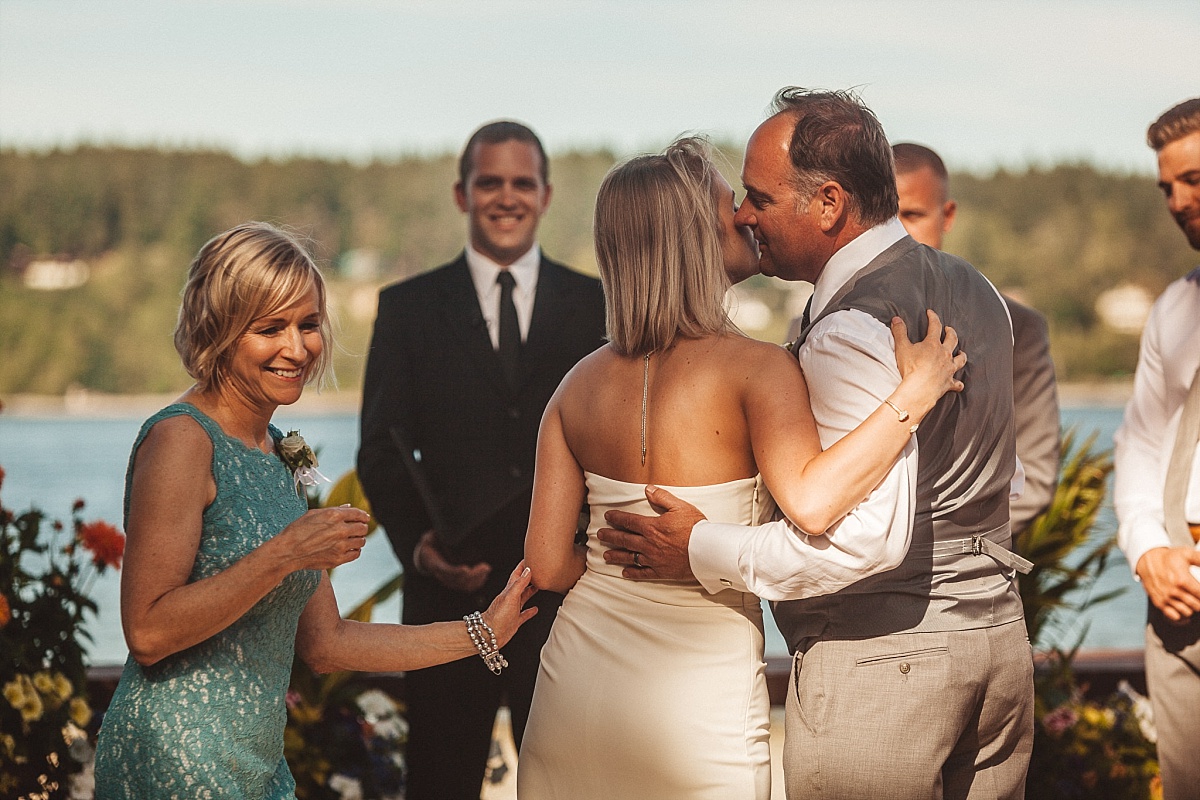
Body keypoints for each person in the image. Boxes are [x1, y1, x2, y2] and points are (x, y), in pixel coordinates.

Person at [599, 89, 1035, 799]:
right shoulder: (976, 288)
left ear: (829, 202)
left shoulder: (850, 327)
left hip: (884, 668)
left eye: (759, 198)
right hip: (999, 649)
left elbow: (865, 541)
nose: (743, 214)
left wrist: (701, 550)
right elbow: (998, 479)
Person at [517, 136, 967, 800]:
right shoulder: (758, 370)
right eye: (731, 204)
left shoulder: (573, 388)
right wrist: (912, 398)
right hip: (702, 699)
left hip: (575, 688)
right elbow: (813, 502)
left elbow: (549, 566)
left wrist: (622, 572)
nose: (747, 217)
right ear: (696, 235)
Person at [92, 222, 538, 799]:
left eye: (308, 325)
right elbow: (148, 630)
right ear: (220, 330)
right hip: (173, 761)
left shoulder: (281, 451)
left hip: (254, 769)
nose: (297, 348)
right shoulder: (183, 441)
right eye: (269, 328)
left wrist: (482, 633)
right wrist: (285, 554)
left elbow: (326, 644)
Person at [356, 121, 606, 799]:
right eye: (488, 182)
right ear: (462, 195)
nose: (506, 197)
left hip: (566, 607)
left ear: (546, 194)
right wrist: (420, 549)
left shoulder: (596, 305)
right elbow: (379, 447)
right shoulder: (406, 308)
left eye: (521, 183)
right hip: (446, 605)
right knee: (439, 785)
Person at [892, 141, 1061, 537]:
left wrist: (914, 546)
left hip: (969, 581)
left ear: (946, 215)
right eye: (885, 217)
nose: (898, 232)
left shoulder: (1019, 328)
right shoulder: (819, 321)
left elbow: (1033, 478)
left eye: (912, 215)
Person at [1113, 97, 1200, 800]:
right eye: (1167, 187)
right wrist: (1146, 549)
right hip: (1175, 599)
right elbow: (1140, 442)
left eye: (1194, 179)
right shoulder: (1175, 307)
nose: (1177, 201)